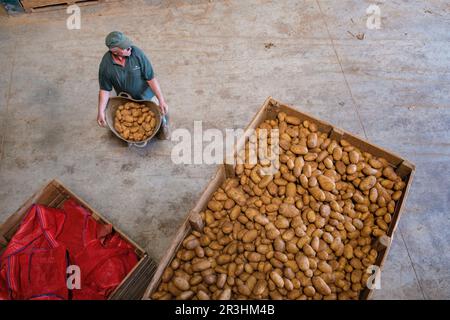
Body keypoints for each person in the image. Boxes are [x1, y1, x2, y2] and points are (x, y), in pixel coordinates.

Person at [97, 31, 170, 139]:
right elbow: (104, 90)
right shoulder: (106, 65)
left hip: (146, 94)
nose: (129, 48)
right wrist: (100, 111)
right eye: (125, 48)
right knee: (117, 119)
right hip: (125, 98)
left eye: (128, 45)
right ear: (115, 52)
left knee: (161, 114)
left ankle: (163, 127)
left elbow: (151, 79)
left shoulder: (137, 54)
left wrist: (161, 100)